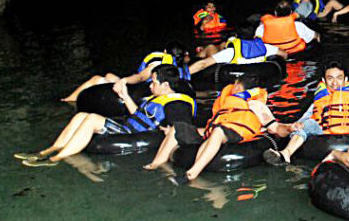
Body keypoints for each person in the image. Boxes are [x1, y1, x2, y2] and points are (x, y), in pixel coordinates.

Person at [16, 65, 196, 166]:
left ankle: (55, 159)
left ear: (165, 85)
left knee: (92, 119)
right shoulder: (155, 98)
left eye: (154, 83)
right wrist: (125, 95)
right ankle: (48, 151)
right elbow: (138, 114)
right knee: (81, 116)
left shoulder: (175, 102)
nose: (150, 86)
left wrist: (167, 130)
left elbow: (181, 125)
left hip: (131, 132)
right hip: (129, 125)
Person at [144, 74, 289, 181]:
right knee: (178, 128)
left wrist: (289, 128)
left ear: (239, 86)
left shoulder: (255, 104)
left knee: (218, 132)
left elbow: (274, 126)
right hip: (216, 129)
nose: (232, 87)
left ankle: (192, 173)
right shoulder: (228, 101)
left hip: (236, 132)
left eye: (235, 85)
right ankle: (156, 163)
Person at [264, 61, 349, 165]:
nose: (335, 83)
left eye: (339, 78)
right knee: (308, 123)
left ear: (345, 80)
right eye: (330, 78)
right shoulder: (319, 101)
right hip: (325, 132)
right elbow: (302, 121)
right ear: (324, 81)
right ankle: (286, 154)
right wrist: (289, 127)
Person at [60, 42, 189, 103]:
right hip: (148, 89)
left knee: (98, 79)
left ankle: (69, 100)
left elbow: (141, 77)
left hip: (141, 90)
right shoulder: (179, 66)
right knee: (110, 75)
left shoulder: (158, 62)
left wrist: (124, 81)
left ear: (165, 51)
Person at [188, 23, 285, 75]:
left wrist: (183, 74)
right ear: (254, 35)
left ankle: (191, 58)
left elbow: (203, 64)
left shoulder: (231, 52)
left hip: (229, 72)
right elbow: (284, 54)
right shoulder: (265, 48)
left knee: (210, 47)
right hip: (259, 72)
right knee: (220, 46)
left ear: (237, 37)